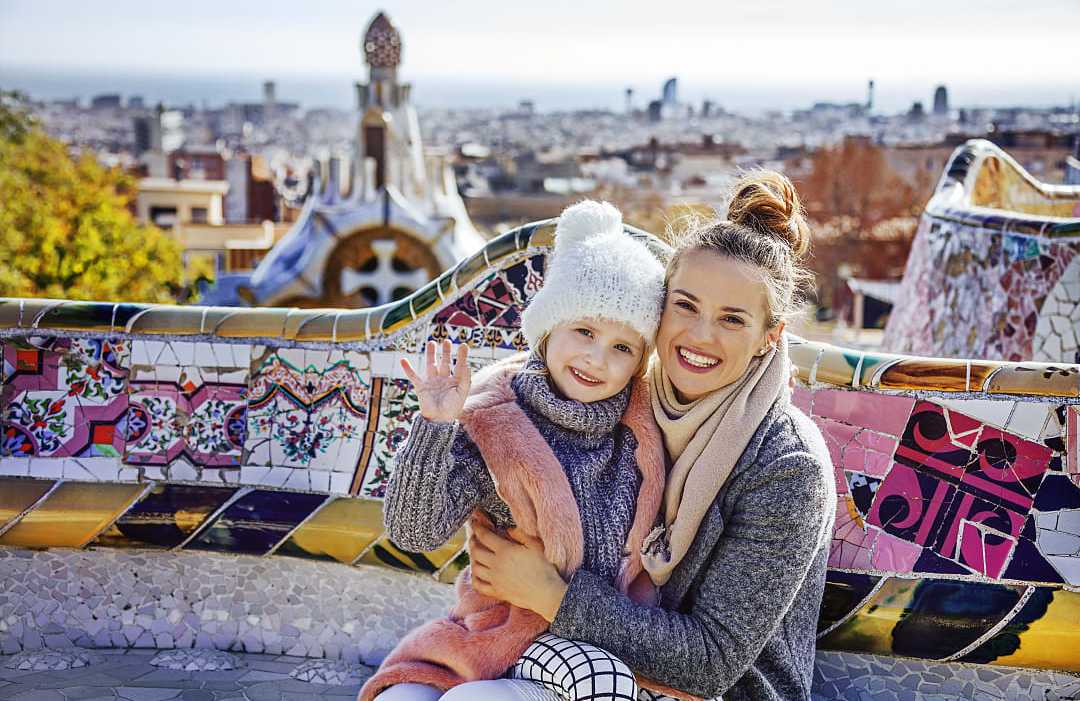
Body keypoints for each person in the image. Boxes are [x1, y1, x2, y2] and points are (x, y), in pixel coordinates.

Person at [468, 171, 838, 701]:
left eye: (732, 320)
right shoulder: (625, 402)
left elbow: (712, 662)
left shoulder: (786, 464)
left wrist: (550, 594)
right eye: (685, 305)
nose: (699, 336)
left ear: (768, 338)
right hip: (583, 664)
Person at [361, 200, 671, 701]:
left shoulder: (642, 433)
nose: (596, 358)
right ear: (548, 329)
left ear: (640, 361)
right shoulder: (497, 418)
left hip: (591, 649)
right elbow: (413, 531)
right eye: (585, 331)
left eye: (622, 347)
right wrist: (436, 425)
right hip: (493, 633)